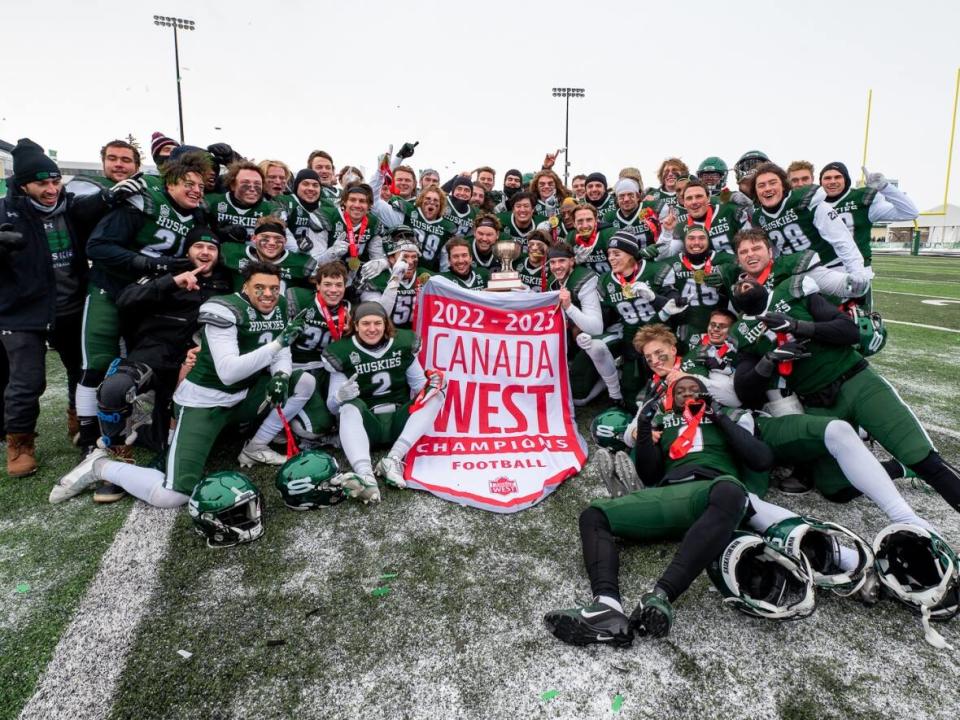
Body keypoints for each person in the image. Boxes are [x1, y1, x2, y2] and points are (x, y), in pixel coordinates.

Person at [544, 375, 812, 645]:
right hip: (671, 492)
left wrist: (718, 417)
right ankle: (606, 606)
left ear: (707, 395)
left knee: (732, 491)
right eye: (680, 390)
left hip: (714, 491)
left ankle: (660, 596)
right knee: (594, 515)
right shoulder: (666, 422)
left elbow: (761, 459)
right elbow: (649, 474)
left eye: (694, 389)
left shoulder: (729, 418)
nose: (686, 393)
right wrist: (646, 427)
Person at [50, 261, 315, 506]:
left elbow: (283, 352)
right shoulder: (224, 308)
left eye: (273, 287)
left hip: (244, 395)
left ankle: (256, 447)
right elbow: (229, 372)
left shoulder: (280, 305)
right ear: (245, 286)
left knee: (303, 382)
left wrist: (280, 374)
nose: (268, 293)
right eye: (260, 287)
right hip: (206, 402)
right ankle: (101, 467)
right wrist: (279, 343)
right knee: (173, 495)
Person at [729, 274, 960, 514]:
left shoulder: (792, 292)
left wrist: (798, 326)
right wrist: (768, 360)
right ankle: (898, 468)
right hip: (818, 402)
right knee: (836, 489)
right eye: (736, 283)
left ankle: (907, 460)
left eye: (747, 277)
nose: (742, 280)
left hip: (855, 381)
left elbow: (850, 331)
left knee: (923, 458)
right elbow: (744, 390)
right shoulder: (742, 332)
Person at [74, 150, 212, 455]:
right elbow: (97, 246)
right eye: (187, 183)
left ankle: (133, 423)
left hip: (153, 295)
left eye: (200, 186)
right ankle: (87, 435)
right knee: (97, 362)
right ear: (169, 184)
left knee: (132, 359)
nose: (195, 190)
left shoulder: (197, 214)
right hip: (113, 286)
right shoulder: (143, 200)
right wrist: (150, 265)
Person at [90, 226, 231, 502]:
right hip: (153, 354)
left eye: (211, 248)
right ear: (187, 251)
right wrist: (171, 283)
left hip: (194, 360)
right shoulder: (163, 275)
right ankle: (118, 457)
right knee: (114, 390)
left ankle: (155, 429)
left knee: (172, 442)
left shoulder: (225, 283)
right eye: (198, 247)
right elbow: (125, 301)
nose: (205, 252)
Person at [0, 139, 100, 476]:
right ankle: (20, 443)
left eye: (55, 181)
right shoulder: (5, 211)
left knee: (80, 370)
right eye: (42, 183)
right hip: (23, 311)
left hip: (70, 306)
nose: (51, 189)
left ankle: (78, 419)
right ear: (24, 183)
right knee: (27, 381)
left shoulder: (71, 207)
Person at [322, 302, 446, 504]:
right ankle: (366, 475)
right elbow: (331, 406)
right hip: (367, 426)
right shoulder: (342, 351)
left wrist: (434, 383)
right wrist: (339, 397)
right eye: (366, 324)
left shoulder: (403, 343)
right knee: (348, 407)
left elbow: (419, 385)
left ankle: (393, 459)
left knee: (436, 394)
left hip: (400, 422)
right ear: (355, 325)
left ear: (385, 323)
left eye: (377, 323)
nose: (372, 329)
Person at [577, 232, 681, 408]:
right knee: (632, 397)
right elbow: (606, 316)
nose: (611, 258)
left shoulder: (654, 270)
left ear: (632, 254)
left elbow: (677, 306)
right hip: (631, 338)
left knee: (668, 386)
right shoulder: (606, 281)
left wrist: (653, 297)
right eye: (609, 254)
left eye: (617, 254)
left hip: (661, 334)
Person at [748, 162, 868, 281]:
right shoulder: (759, 218)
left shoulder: (807, 201)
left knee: (851, 288)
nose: (767, 188)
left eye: (773, 183)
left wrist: (857, 272)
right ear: (756, 190)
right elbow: (772, 254)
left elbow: (842, 239)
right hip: (796, 274)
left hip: (830, 267)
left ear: (784, 185)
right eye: (761, 185)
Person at [284, 261, 352, 444]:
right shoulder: (299, 299)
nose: (333, 290)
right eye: (327, 284)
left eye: (339, 285)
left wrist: (350, 332)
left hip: (325, 370)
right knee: (314, 428)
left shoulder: (347, 309)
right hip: (297, 368)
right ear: (317, 285)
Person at [819, 161, 919, 268]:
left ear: (846, 180)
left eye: (838, 177)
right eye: (827, 178)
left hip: (856, 269)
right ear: (821, 181)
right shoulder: (814, 203)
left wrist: (885, 187)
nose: (832, 181)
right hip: (821, 269)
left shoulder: (862, 200)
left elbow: (909, 212)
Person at [655, 224, 735, 344]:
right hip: (686, 327)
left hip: (719, 325)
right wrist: (672, 295)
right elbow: (659, 288)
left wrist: (724, 282)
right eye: (691, 238)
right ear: (684, 241)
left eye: (702, 238)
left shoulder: (725, 259)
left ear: (709, 240)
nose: (696, 242)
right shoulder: (670, 264)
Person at [220, 215, 316, 292]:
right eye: (265, 237)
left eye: (278, 239)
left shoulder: (301, 263)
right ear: (254, 238)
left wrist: (306, 253)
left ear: (285, 241)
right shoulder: (231, 252)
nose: (272, 243)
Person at [361, 226, 430, 328]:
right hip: (385, 335)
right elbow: (378, 317)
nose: (410, 262)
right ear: (391, 258)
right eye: (405, 256)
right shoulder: (377, 278)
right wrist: (395, 278)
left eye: (414, 257)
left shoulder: (424, 275)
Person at [206, 160, 290, 243]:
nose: (252, 188)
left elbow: (289, 245)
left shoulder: (273, 210)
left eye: (257, 184)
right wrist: (213, 234)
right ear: (232, 185)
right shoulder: (211, 202)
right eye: (245, 183)